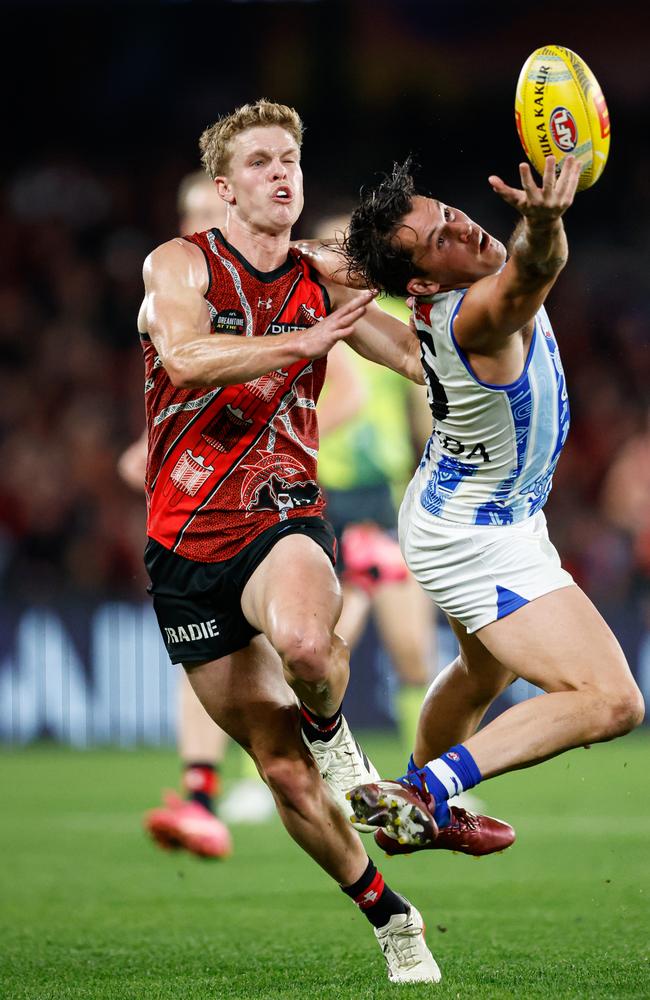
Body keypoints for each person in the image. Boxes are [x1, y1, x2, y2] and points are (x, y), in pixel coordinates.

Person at [139, 99, 444, 983]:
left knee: (311, 644)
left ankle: (333, 727)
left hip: (283, 507)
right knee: (280, 772)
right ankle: (390, 914)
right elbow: (187, 359)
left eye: (292, 161)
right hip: (185, 539)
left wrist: (483, 359)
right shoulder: (178, 265)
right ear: (226, 188)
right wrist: (303, 340)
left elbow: (407, 353)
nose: (282, 174)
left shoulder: (323, 273)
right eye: (263, 162)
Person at [338, 155, 645, 853]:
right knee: (613, 700)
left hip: (460, 512)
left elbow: (404, 348)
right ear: (421, 280)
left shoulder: (434, 304)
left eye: (449, 211)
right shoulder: (478, 315)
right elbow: (534, 274)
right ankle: (424, 792)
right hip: (480, 535)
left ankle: (422, 806)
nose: (465, 228)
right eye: (441, 237)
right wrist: (543, 224)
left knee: (482, 671)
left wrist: (308, 265)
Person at [119, 172, 275, 864]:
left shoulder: (272, 282)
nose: (202, 223)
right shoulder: (173, 293)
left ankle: (278, 778)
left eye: (213, 209)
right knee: (206, 655)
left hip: (270, 496)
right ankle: (208, 794)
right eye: (192, 213)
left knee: (284, 647)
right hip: (197, 507)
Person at [315, 213, 437, 754]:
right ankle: (269, 781)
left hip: (386, 500)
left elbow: (428, 415)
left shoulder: (395, 322)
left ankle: (431, 775)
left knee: (412, 647)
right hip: (319, 500)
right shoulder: (301, 324)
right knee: (317, 651)